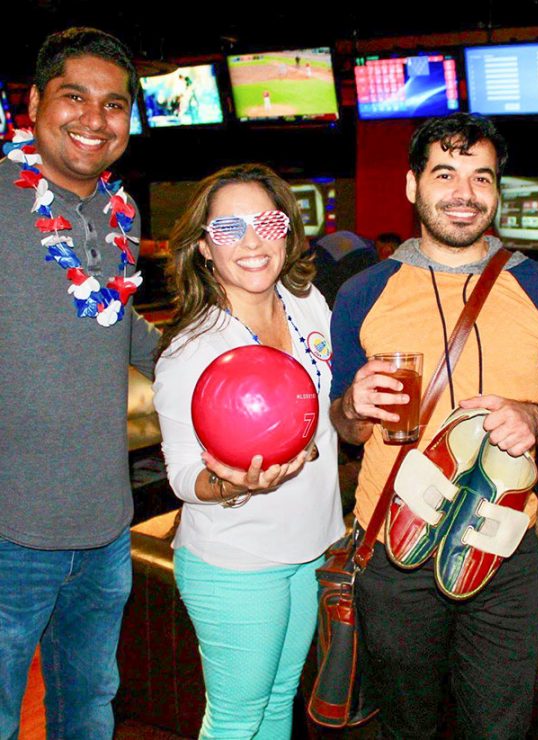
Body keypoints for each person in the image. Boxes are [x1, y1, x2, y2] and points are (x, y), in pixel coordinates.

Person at [329, 112, 538, 739]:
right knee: (406, 725)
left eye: (482, 177)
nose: (464, 193)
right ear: (413, 186)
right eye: (445, 174)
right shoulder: (363, 292)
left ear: (498, 192)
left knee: (499, 727)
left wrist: (536, 418)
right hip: (392, 546)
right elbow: (343, 426)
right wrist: (352, 406)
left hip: (503, 546)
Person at [0, 27, 158, 739]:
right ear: (34, 103)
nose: (95, 120)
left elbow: (120, 328)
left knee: (89, 710)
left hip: (104, 528)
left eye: (114, 103)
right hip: (9, 530)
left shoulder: (117, 216)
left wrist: (238, 368)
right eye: (75, 97)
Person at [152, 163, 344, 739]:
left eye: (267, 221)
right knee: (236, 720)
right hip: (235, 561)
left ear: (288, 232)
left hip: (313, 546)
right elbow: (184, 476)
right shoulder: (193, 349)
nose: (253, 241)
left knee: (281, 701)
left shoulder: (309, 303)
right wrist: (234, 483)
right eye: (229, 228)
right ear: (205, 249)